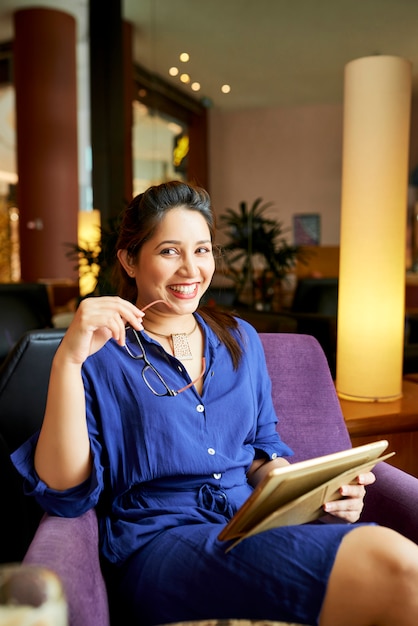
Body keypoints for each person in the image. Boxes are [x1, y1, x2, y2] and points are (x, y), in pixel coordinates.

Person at [12, 181, 418, 626]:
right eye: (169, 251)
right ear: (130, 259)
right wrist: (68, 360)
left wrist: (314, 494)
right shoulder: (98, 352)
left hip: (255, 525)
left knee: (393, 563)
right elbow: (65, 488)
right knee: (394, 562)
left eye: (202, 250)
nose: (191, 269)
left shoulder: (239, 339)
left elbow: (263, 453)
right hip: (162, 546)